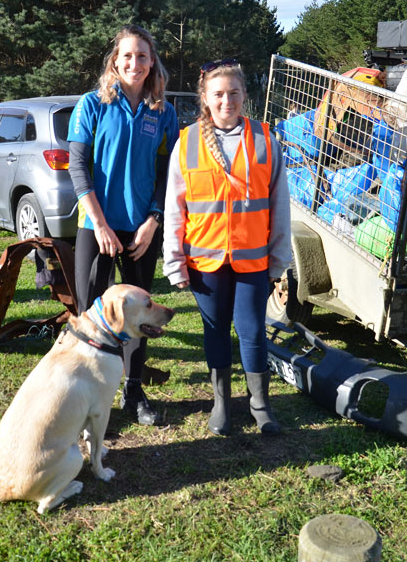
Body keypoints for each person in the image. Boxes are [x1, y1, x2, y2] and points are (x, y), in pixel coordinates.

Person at [163, 59, 292, 435]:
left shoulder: (266, 140)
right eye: (218, 94)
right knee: (215, 330)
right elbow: (176, 207)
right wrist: (174, 261)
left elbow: (280, 205)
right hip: (205, 260)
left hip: (253, 260)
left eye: (234, 93)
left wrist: (278, 259)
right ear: (205, 97)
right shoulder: (187, 142)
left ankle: (260, 404)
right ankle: (222, 403)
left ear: (244, 96)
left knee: (252, 331)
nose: (226, 101)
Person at [67, 25, 179, 426]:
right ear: (115, 60)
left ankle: (133, 394)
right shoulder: (93, 104)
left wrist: (153, 221)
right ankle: (88, 398)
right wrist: (99, 224)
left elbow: (167, 175)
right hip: (96, 228)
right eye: (127, 56)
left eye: (143, 56)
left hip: (140, 230)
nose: (135, 63)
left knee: (140, 319)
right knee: (90, 317)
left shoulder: (163, 112)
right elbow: (77, 167)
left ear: (152, 63)